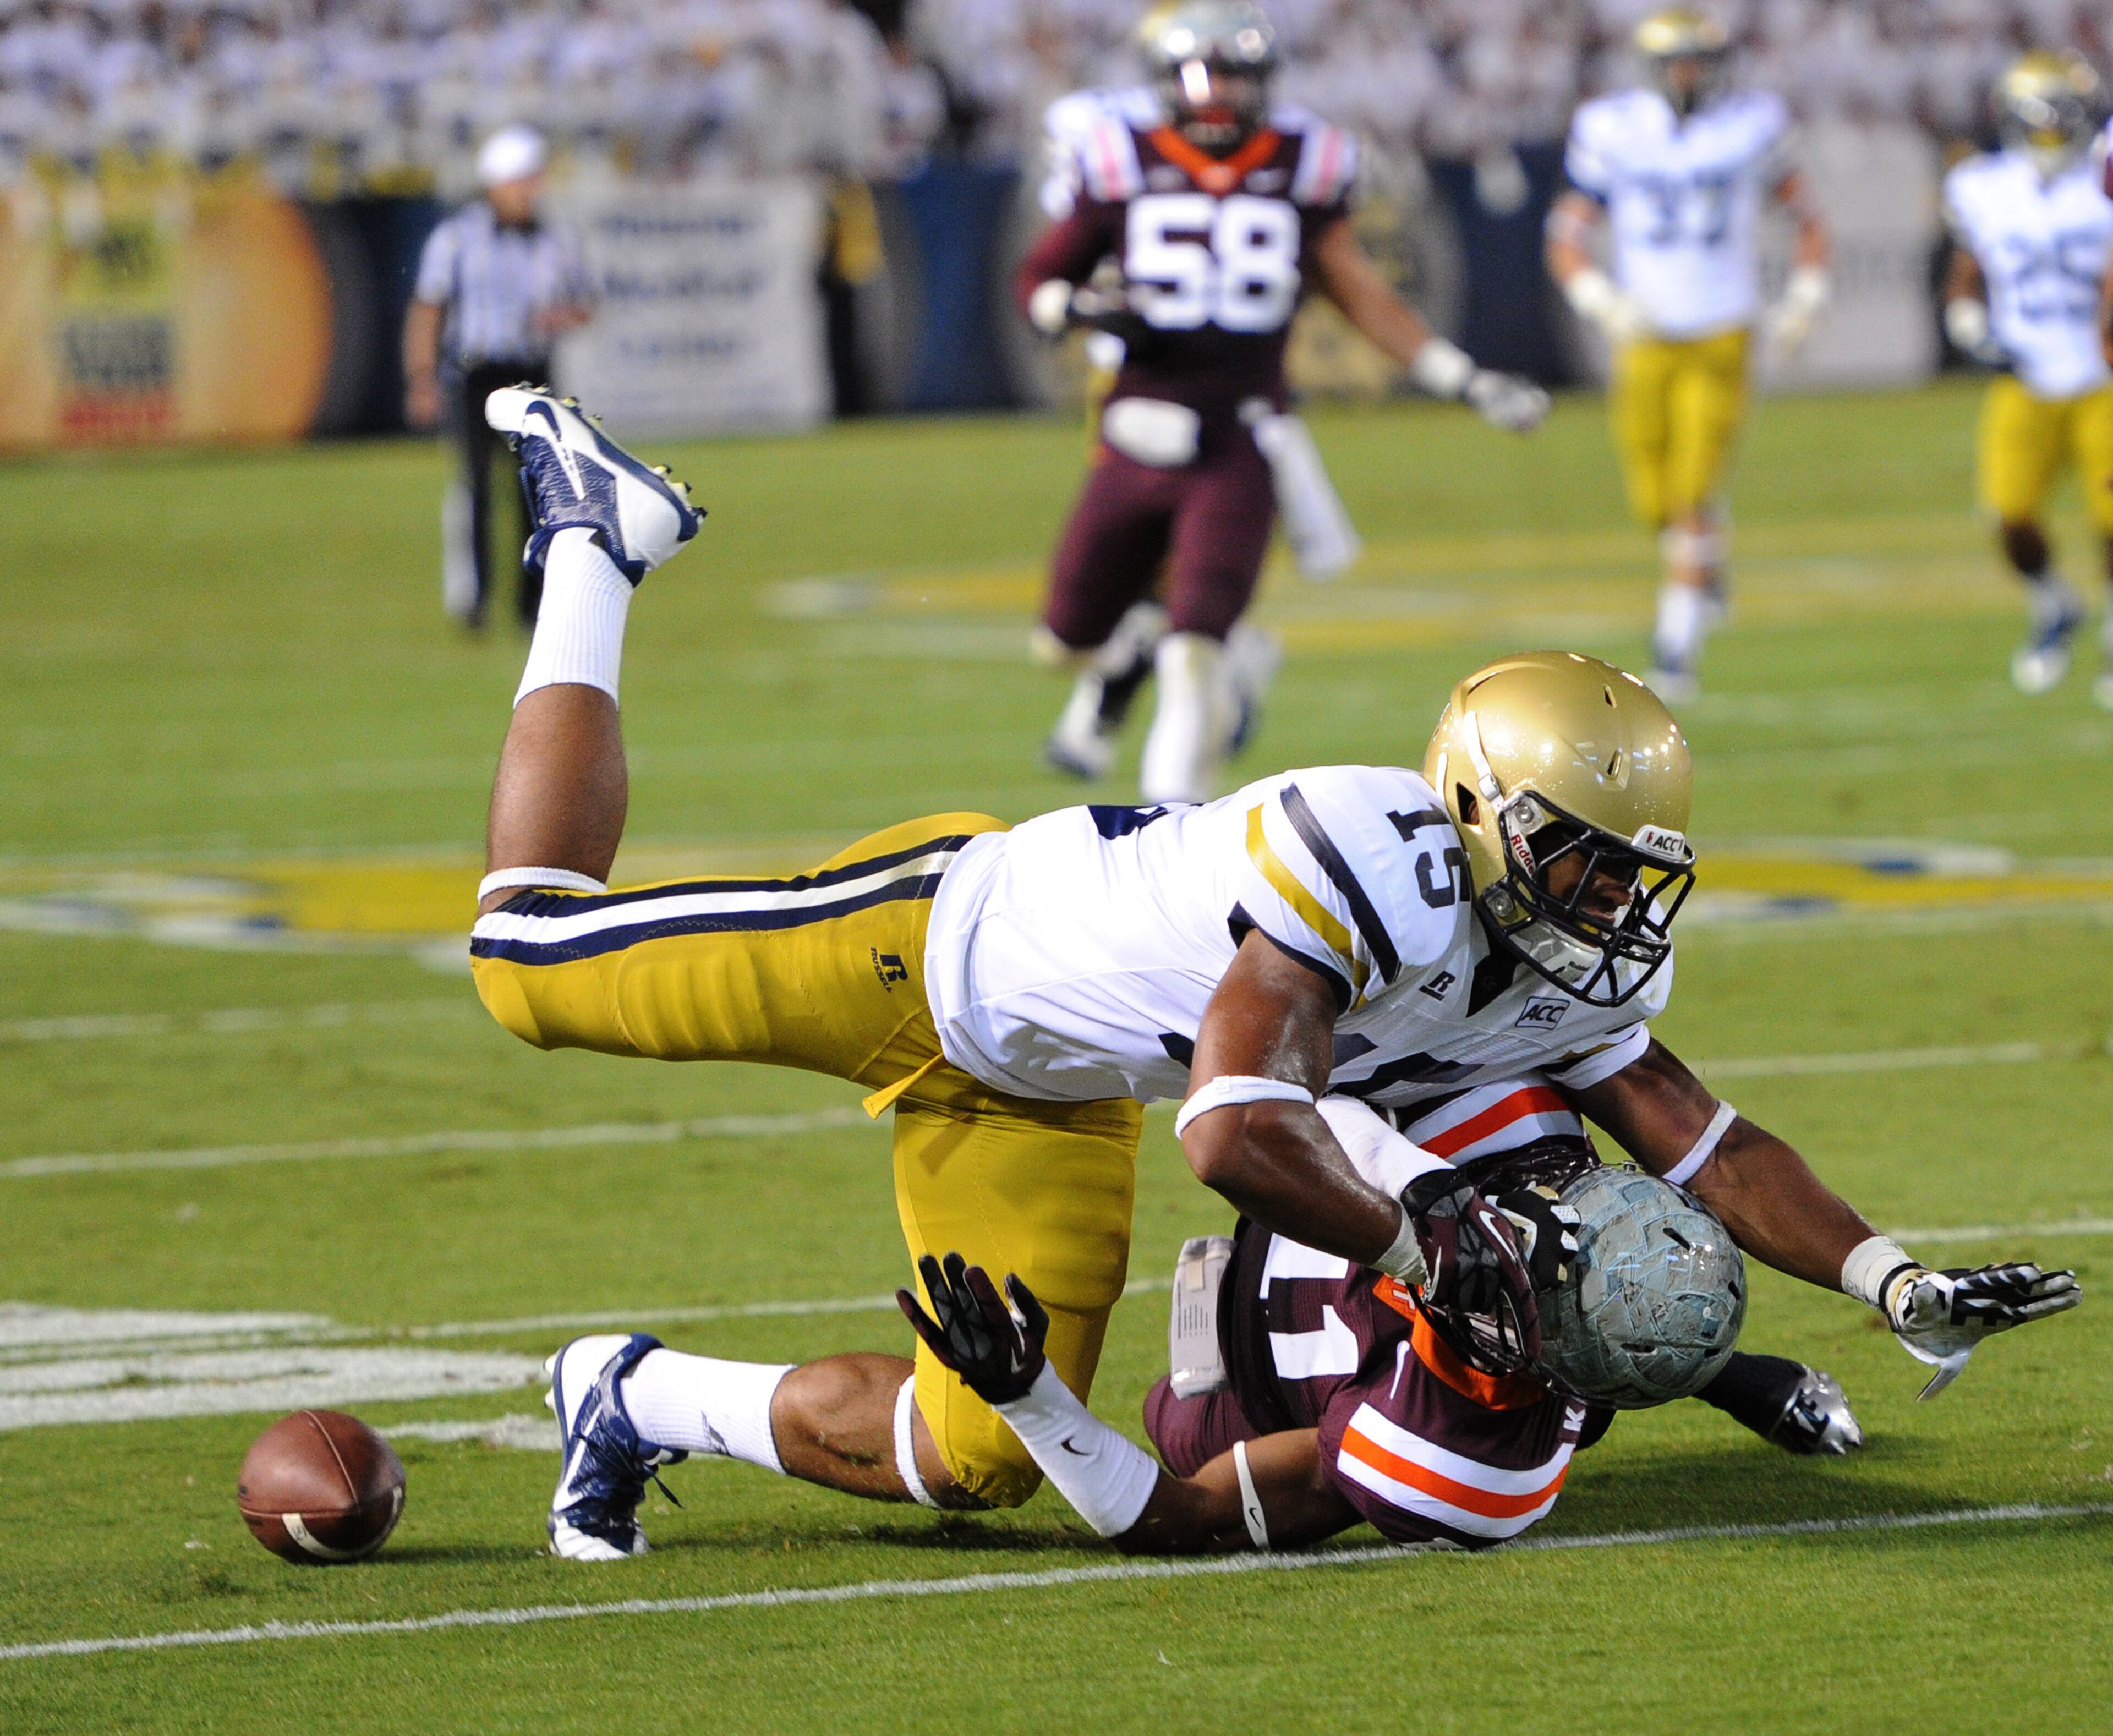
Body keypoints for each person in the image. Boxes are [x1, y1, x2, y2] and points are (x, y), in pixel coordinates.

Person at [465, 385, 2079, 1559]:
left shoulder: (1549, 947)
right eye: (1583, 851)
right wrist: (1421, 1228)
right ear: (1476, 808)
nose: (1610, 894)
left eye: (1630, 862)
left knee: (975, 1455)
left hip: (1046, 1084)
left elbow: (1692, 1131)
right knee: (520, 958)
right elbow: (1232, 1118)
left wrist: (1884, 1279)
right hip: (927, 944)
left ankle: (630, 1393)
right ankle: (599, 551)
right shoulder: (1374, 842)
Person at [540, 1116, 1862, 1559]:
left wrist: (1034, 1395)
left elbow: (1166, 1515)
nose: (1549, 1220)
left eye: (1546, 1283)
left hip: (1234, 1384)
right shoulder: (1518, 1147)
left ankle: (629, 1390)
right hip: (1279, 1192)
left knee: (967, 1453)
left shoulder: (1462, 1455)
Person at [1016, 0, 1551, 804]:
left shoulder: (1306, 161)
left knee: (1192, 651)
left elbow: (1360, 294)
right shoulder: (1118, 156)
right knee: (1060, 643)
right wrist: (1077, 310)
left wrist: (1462, 377)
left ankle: (1174, 836)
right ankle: (1155, 655)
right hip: (1134, 433)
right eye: (1203, 75)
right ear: (1164, 83)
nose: (1218, 95)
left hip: (1240, 439)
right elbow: (1040, 278)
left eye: (1236, 74)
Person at [1545, 8, 1831, 704]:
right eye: (1677, 61)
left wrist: (1805, 294)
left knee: (1690, 492)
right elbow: (1568, 230)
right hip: (1644, 333)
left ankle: (1676, 643)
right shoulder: (1613, 128)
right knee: (1652, 496)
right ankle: (1706, 561)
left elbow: (1807, 216)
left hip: (1722, 329)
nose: (1689, 74)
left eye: (1699, 60)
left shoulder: (1752, 124)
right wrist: (1598, 298)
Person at [1945, 52, 2113, 703]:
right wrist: (1966, 320)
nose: (2056, 134)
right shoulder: (1981, 185)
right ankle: (2056, 603)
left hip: (2102, 379)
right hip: (2025, 376)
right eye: (2044, 121)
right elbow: (1968, 268)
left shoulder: (2102, 180)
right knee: (2010, 518)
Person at [403, 124, 595, 629]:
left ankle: (533, 604)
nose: (529, 191)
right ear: (496, 183)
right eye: (520, 180)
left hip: (531, 372)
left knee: (536, 491)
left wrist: (561, 316)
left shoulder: (558, 236)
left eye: (533, 180)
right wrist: (421, 378)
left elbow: (585, 304)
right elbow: (428, 308)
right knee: (475, 488)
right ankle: (474, 601)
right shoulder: (457, 237)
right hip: (475, 372)